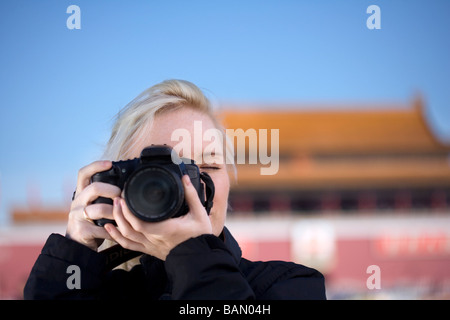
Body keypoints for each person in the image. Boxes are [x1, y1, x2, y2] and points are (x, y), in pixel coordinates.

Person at [24, 79, 326, 300]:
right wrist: (72, 258)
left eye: (209, 167)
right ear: (118, 187)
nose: (189, 188)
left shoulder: (289, 285)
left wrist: (193, 257)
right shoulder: (101, 293)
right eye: (161, 173)